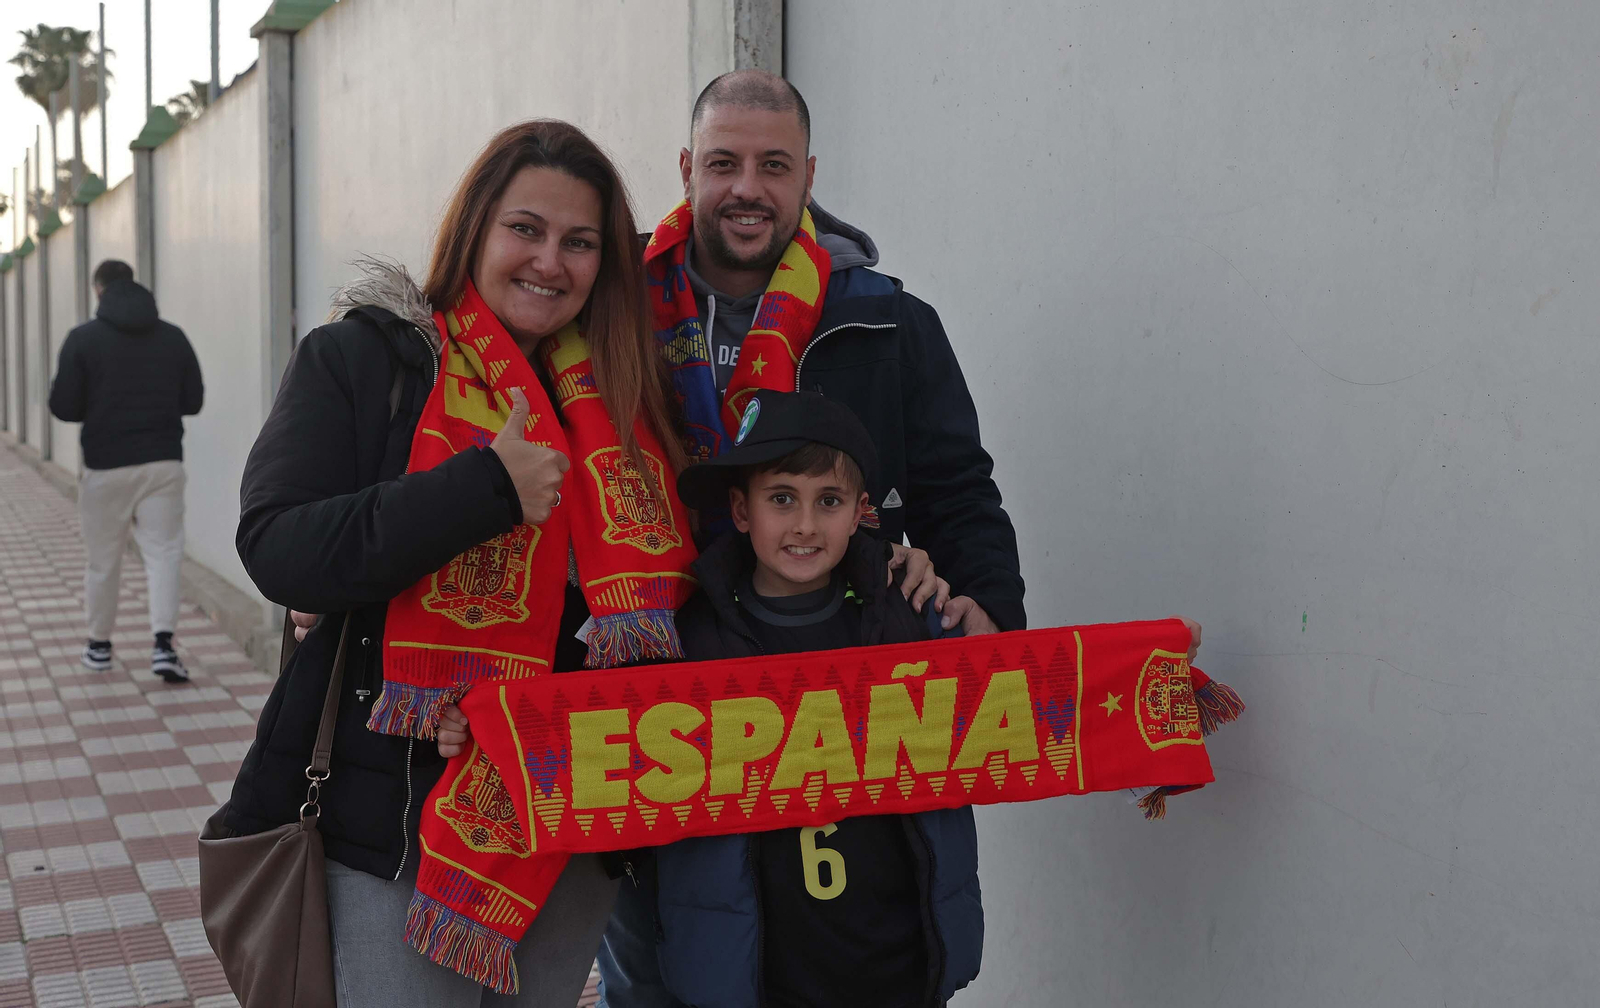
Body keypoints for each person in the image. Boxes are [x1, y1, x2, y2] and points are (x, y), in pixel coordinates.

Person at [223, 121, 682, 1007]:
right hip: (398, 823)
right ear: (472, 228)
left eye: (580, 242)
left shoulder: (626, 407)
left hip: (568, 816)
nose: (550, 261)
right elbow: (278, 547)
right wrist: (485, 488)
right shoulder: (369, 361)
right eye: (525, 229)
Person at [631, 389, 984, 1008]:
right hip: (759, 974)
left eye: (829, 501)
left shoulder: (914, 621)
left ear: (859, 514)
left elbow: (1032, 701)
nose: (804, 525)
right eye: (781, 499)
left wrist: (1150, 668)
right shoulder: (683, 644)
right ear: (741, 511)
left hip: (900, 965)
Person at [48, 258, 204, 683]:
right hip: (163, 462)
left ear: (99, 290)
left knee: (103, 559)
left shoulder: (82, 339)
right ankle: (163, 647)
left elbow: (63, 406)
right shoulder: (173, 337)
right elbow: (193, 401)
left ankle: (99, 647)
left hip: (105, 466)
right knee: (164, 553)